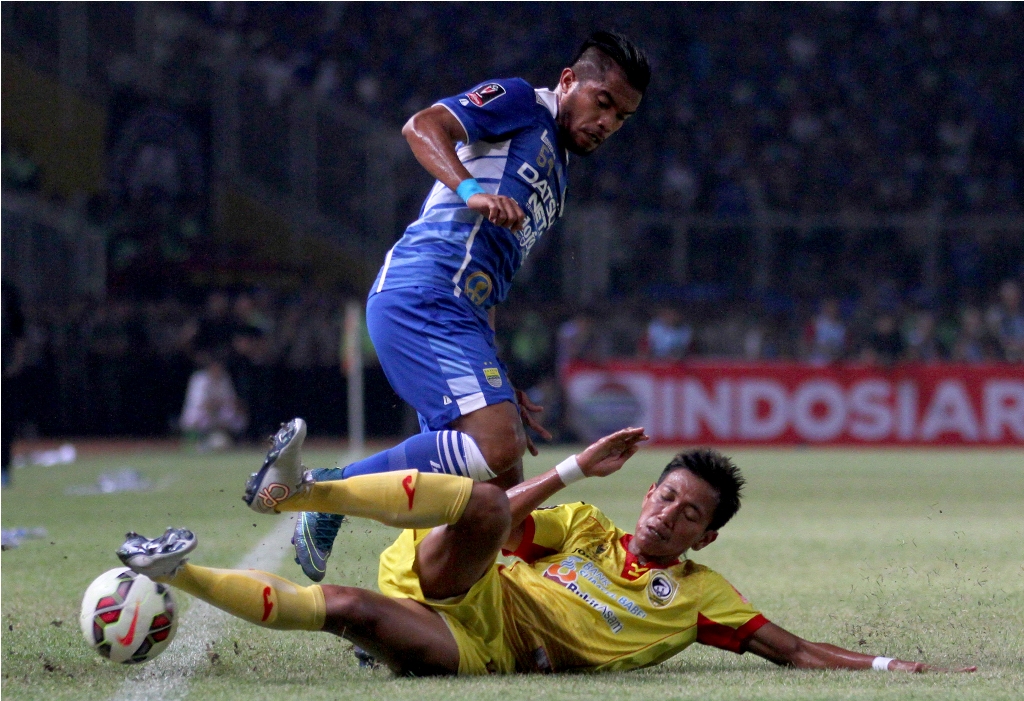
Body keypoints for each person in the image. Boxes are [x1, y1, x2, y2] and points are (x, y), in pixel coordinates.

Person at [119, 425, 976, 676]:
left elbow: (791, 649)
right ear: (647, 493)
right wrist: (571, 470)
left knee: (343, 609)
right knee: (490, 497)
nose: (668, 515)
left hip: (484, 645)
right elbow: (495, 516)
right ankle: (304, 491)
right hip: (463, 577)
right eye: (664, 494)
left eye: (688, 514)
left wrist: (881, 665)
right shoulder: (592, 526)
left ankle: (173, 568)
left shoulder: (701, 595)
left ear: (705, 537)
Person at [286, 31, 651, 581]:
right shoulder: (522, 102)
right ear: (570, 81)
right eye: (603, 103)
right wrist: (466, 191)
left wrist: (497, 376)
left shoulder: (559, 167)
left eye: (621, 117)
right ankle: (325, 494)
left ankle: (416, 604)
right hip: (424, 290)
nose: (607, 123)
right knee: (496, 445)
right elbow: (423, 126)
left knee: (499, 504)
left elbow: (493, 277)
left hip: (461, 313)